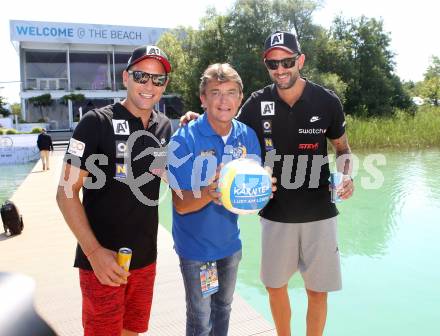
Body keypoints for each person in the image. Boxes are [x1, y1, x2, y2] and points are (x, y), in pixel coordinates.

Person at [181, 31, 354, 336]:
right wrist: (199, 117)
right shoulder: (256, 103)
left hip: (320, 213)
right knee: (275, 287)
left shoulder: (327, 101)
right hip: (274, 214)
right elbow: (226, 120)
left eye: (287, 61)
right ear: (266, 65)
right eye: (273, 63)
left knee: (317, 292)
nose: (280, 69)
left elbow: (343, 150)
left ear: (300, 60)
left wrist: (348, 175)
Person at [56, 45, 172, 336]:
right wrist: (94, 253)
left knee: (132, 331)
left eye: (158, 79)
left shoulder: (164, 127)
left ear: (165, 85)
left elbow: (168, 177)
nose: (149, 85)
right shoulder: (95, 123)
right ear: (125, 78)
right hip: (102, 261)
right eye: (141, 76)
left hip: (145, 259)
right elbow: (65, 192)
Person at [167, 63, 264, 336]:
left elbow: (251, 197)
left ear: (240, 98)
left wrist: (265, 187)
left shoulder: (247, 136)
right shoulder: (183, 139)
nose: (224, 100)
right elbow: (181, 204)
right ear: (203, 98)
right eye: (216, 92)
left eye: (231, 92)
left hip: (230, 245)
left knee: (223, 311)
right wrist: (213, 189)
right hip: (196, 250)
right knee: (200, 319)